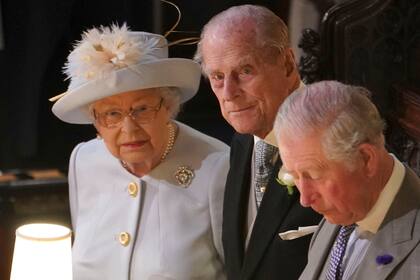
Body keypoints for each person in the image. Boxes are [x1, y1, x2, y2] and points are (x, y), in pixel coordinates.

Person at [51, 24, 229, 279]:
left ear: (168, 106)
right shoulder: (83, 161)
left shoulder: (218, 167)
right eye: (112, 113)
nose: (129, 129)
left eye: (142, 109)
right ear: (96, 122)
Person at [194, 5, 322, 280]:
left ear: (288, 65)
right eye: (217, 77)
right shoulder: (243, 139)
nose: (229, 93)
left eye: (245, 71)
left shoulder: (330, 140)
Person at [274, 80, 420, 280]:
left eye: (314, 175)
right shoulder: (341, 215)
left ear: (366, 160)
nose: (305, 199)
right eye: (296, 176)